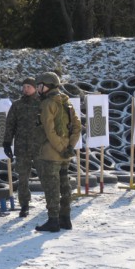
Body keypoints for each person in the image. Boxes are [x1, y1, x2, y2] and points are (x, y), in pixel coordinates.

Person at [34, 71, 81, 232]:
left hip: (51, 153)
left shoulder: (47, 104)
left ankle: (53, 221)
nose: (38, 89)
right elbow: (77, 127)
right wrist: (69, 147)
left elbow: (49, 131)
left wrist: (61, 148)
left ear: (47, 86)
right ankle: (65, 219)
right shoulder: (66, 102)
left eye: (40, 85)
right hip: (65, 153)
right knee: (64, 186)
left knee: (52, 187)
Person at [2, 77, 42, 217]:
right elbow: (10, 125)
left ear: (35, 88)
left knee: (46, 176)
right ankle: (24, 204)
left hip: (40, 147)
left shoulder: (42, 103)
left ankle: (52, 203)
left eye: (28, 87)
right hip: (22, 147)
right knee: (23, 177)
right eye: (24, 87)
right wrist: (7, 143)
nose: (25, 89)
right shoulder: (17, 105)